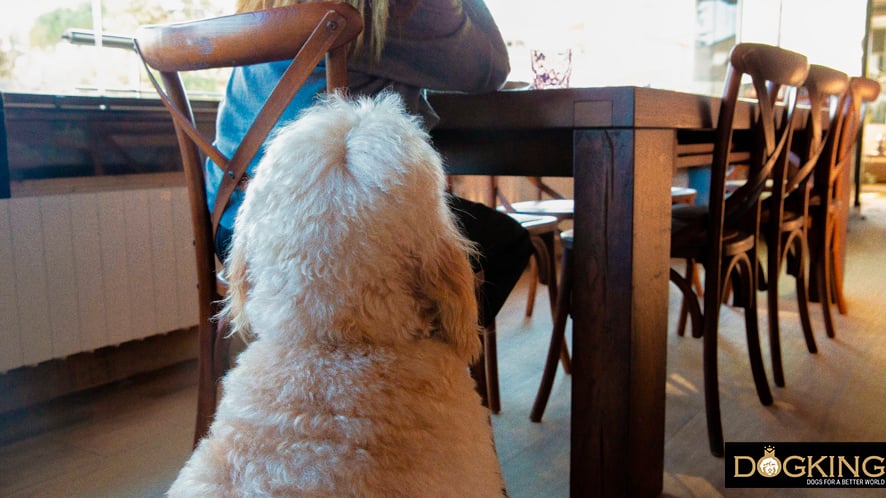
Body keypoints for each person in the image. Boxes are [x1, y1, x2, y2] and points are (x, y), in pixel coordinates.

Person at [207, 0, 532, 329]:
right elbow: (490, 69)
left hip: (233, 230)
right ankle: (422, 367)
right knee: (508, 243)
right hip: (326, 232)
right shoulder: (392, 10)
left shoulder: (268, 5)